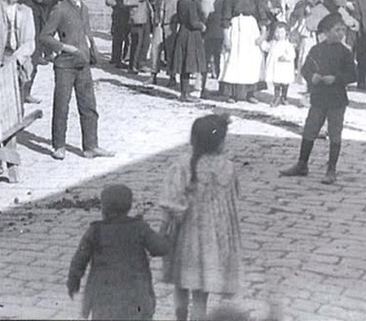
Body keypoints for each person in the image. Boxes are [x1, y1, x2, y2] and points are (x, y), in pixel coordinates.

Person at [159, 114, 242, 321]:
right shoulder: (228, 167)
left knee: (181, 281)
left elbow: (171, 202)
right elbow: (235, 197)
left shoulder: (182, 165)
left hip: (186, 237)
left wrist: (165, 228)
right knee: (200, 290)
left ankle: (180, 316)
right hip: (213, 240)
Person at [67, 182, 172, 321]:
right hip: (136, 296)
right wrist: (166, 235)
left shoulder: (95, 231)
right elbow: (160, 248)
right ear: (128, 207)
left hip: (104, 298)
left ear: (103, 209)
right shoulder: (139, 228)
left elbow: (79, 259)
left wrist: (73, 281)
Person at [40, 0, 114, 161]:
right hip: (65, 65)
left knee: (88, 105)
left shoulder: (84, 8)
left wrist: (92, 51)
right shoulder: (60, 9)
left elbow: (87, 33)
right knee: (62, 106)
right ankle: (59, 146)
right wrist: (64, 47)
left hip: (83, 63)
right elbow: (44, 36)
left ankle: (91, 146)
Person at [280, 13, 357, 183]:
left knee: (335, 133)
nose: (340, 33)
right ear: (326, 32)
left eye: (343, 30)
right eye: (336, 30)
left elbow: (353, 75)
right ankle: (302, 164)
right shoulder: (316, 50)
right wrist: (312, 76)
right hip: (319, 98)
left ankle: (331, 169)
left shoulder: (345, 52)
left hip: (337, 99)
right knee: (310, 129)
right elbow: (305, 69)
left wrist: (336, 78)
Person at [219, 0, 264, 101]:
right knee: (235, 60)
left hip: (251, 30)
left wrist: (263, 34)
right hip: (236, 30)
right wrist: (226, 38)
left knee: (251, 61)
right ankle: (232, 94)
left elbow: (262, 15)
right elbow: (226, 18)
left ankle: (251, 93)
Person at [173, 0, 210, 102]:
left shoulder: (181, 1)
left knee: (184, 64)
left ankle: (184, 93)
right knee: (189, 64)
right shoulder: (191, 3)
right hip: (191, 35)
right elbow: (193, 22)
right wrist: (202, 26)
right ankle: (185, 94)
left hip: (182, 32)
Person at [260, 23, 296, 105]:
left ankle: (284, 96)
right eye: (277, 32)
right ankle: (276, 97)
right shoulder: (273, 43)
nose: (279, 35)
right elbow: (266, 47)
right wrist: (261, 41)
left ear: (286, 33)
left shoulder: (287, 44)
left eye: (281, 32)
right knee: (276, 83)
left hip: (284, 68)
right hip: (275, 68)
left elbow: (292, 55)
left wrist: (286, 57)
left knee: (284, 83)